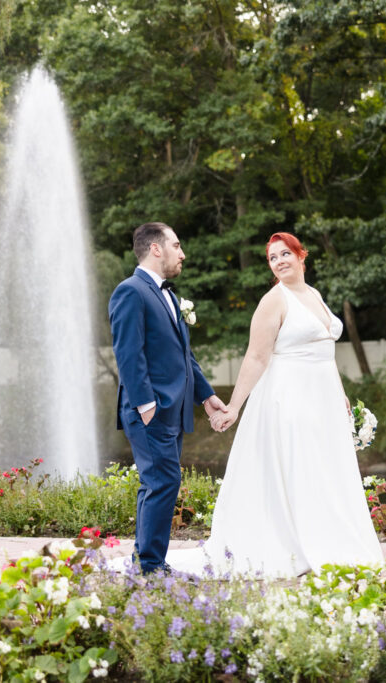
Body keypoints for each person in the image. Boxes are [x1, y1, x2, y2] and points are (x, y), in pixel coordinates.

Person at [167, 232, 383, 577]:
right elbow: (256, 356)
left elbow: (325, 353)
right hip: (290, 396)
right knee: (299, 468)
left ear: (301, 256)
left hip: (323, 397)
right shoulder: (274, 300)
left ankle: (327, 539)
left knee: (325, 471)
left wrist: (340, 393)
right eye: (273, 258)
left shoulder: (313, 294)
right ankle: (296, 545)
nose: (280, 261)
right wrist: (235, 407)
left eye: (285, 254)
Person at [108, 222, 227, 575]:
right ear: (156, 249)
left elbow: (184, 357)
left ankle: (145, 560)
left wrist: (206, 397)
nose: (182, 253)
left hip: (172, 410)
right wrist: (147, 407)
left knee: (158, 482)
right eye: (177, 245)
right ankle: (151, 566)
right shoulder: (130, 291)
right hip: (152, 410)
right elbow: (128, 354)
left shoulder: (169, 296)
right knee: (163, 481)